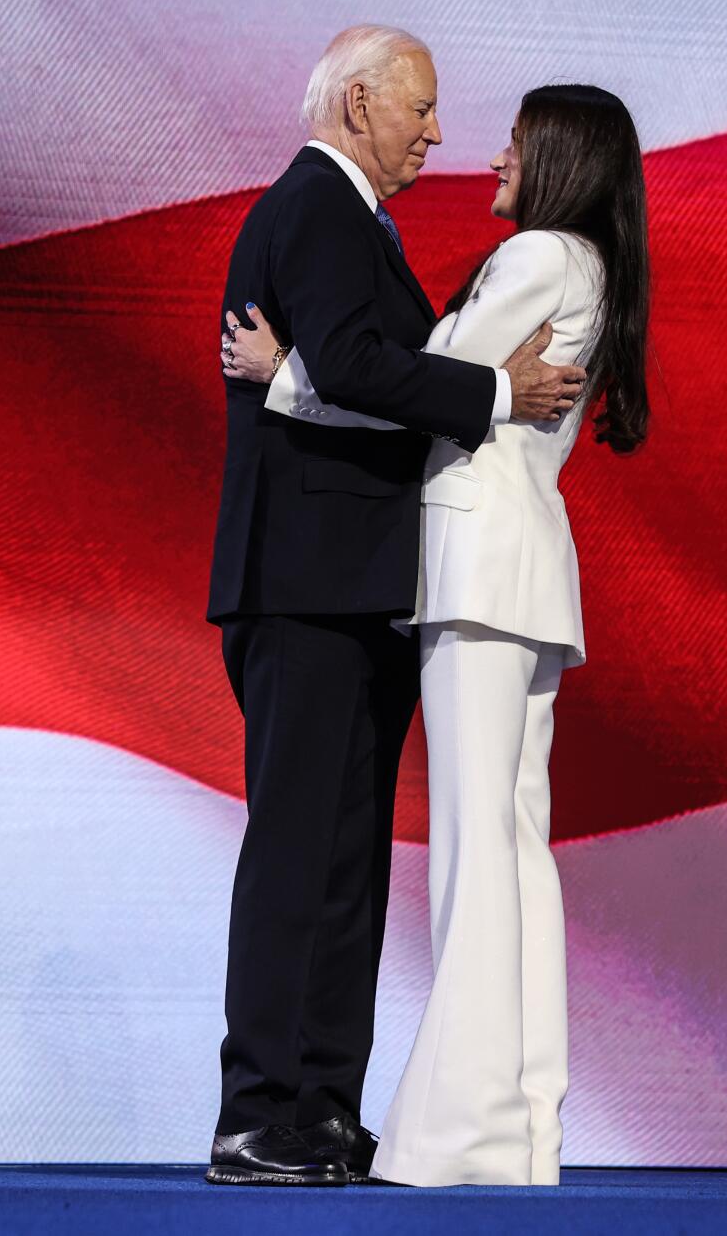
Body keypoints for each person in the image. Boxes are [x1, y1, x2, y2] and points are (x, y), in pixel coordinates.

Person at [222, 82, 652, 1186]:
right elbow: (446, 374)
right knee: (511, 849)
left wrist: (288, 377)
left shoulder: (538, 258)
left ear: (557, 155)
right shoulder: (589, 261)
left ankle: (456, 1132)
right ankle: (515, 1124)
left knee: (474, 854)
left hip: (474, 570)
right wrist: (459, 381)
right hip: (525, 574)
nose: (479, 150)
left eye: (512, 139)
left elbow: (417, 376)